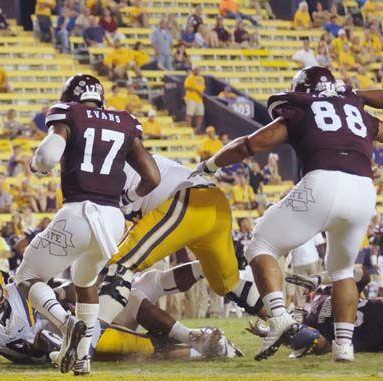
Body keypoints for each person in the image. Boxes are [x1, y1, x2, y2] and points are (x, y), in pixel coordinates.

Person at [192, 66, 383, 362]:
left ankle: (280, 317)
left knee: (260, 245)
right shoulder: (358, 112)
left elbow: (252, 144)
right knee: (342, 271)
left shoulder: (303, 109)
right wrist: (357, 96)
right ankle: (344, 347)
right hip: (363, 190)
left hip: (323, 182)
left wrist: (210, 166)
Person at [14, 74, 160, 375]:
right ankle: (83, 358)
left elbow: (48, 154)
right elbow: (152, 178)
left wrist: (36, 166)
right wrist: (126, 197)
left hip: (79, 212)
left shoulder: (69, 113)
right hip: (112, 221)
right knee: (86, 281)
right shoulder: (124, 120)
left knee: (26, 276)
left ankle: (67, 324)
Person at [0, 262, 241, 364]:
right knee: (144, 351)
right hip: (56, 350)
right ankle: (200, 348)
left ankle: (195, 342)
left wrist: (91, 298)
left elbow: (71, 289)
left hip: (71, 336)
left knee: (133, 308)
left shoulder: (24, 290)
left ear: (2, 289)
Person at [97, 153, 242, 355]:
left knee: (142, 283)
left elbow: (69, 288)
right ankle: (196, 343)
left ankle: (195, 338)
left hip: (98, 312)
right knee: (119, 325)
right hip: (98, 325)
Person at [184, 67, 206, 132]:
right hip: (191, 98)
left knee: (200, 114)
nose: (196, 71)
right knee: (189, 114)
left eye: (198, 69)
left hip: (199, 99)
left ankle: (197, 129)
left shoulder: (201, 78)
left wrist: (201, 92)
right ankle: (188, 129)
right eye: (195, 69)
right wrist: (196, 90)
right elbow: (187, 87)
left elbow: (203, 87)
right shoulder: (190, 78)